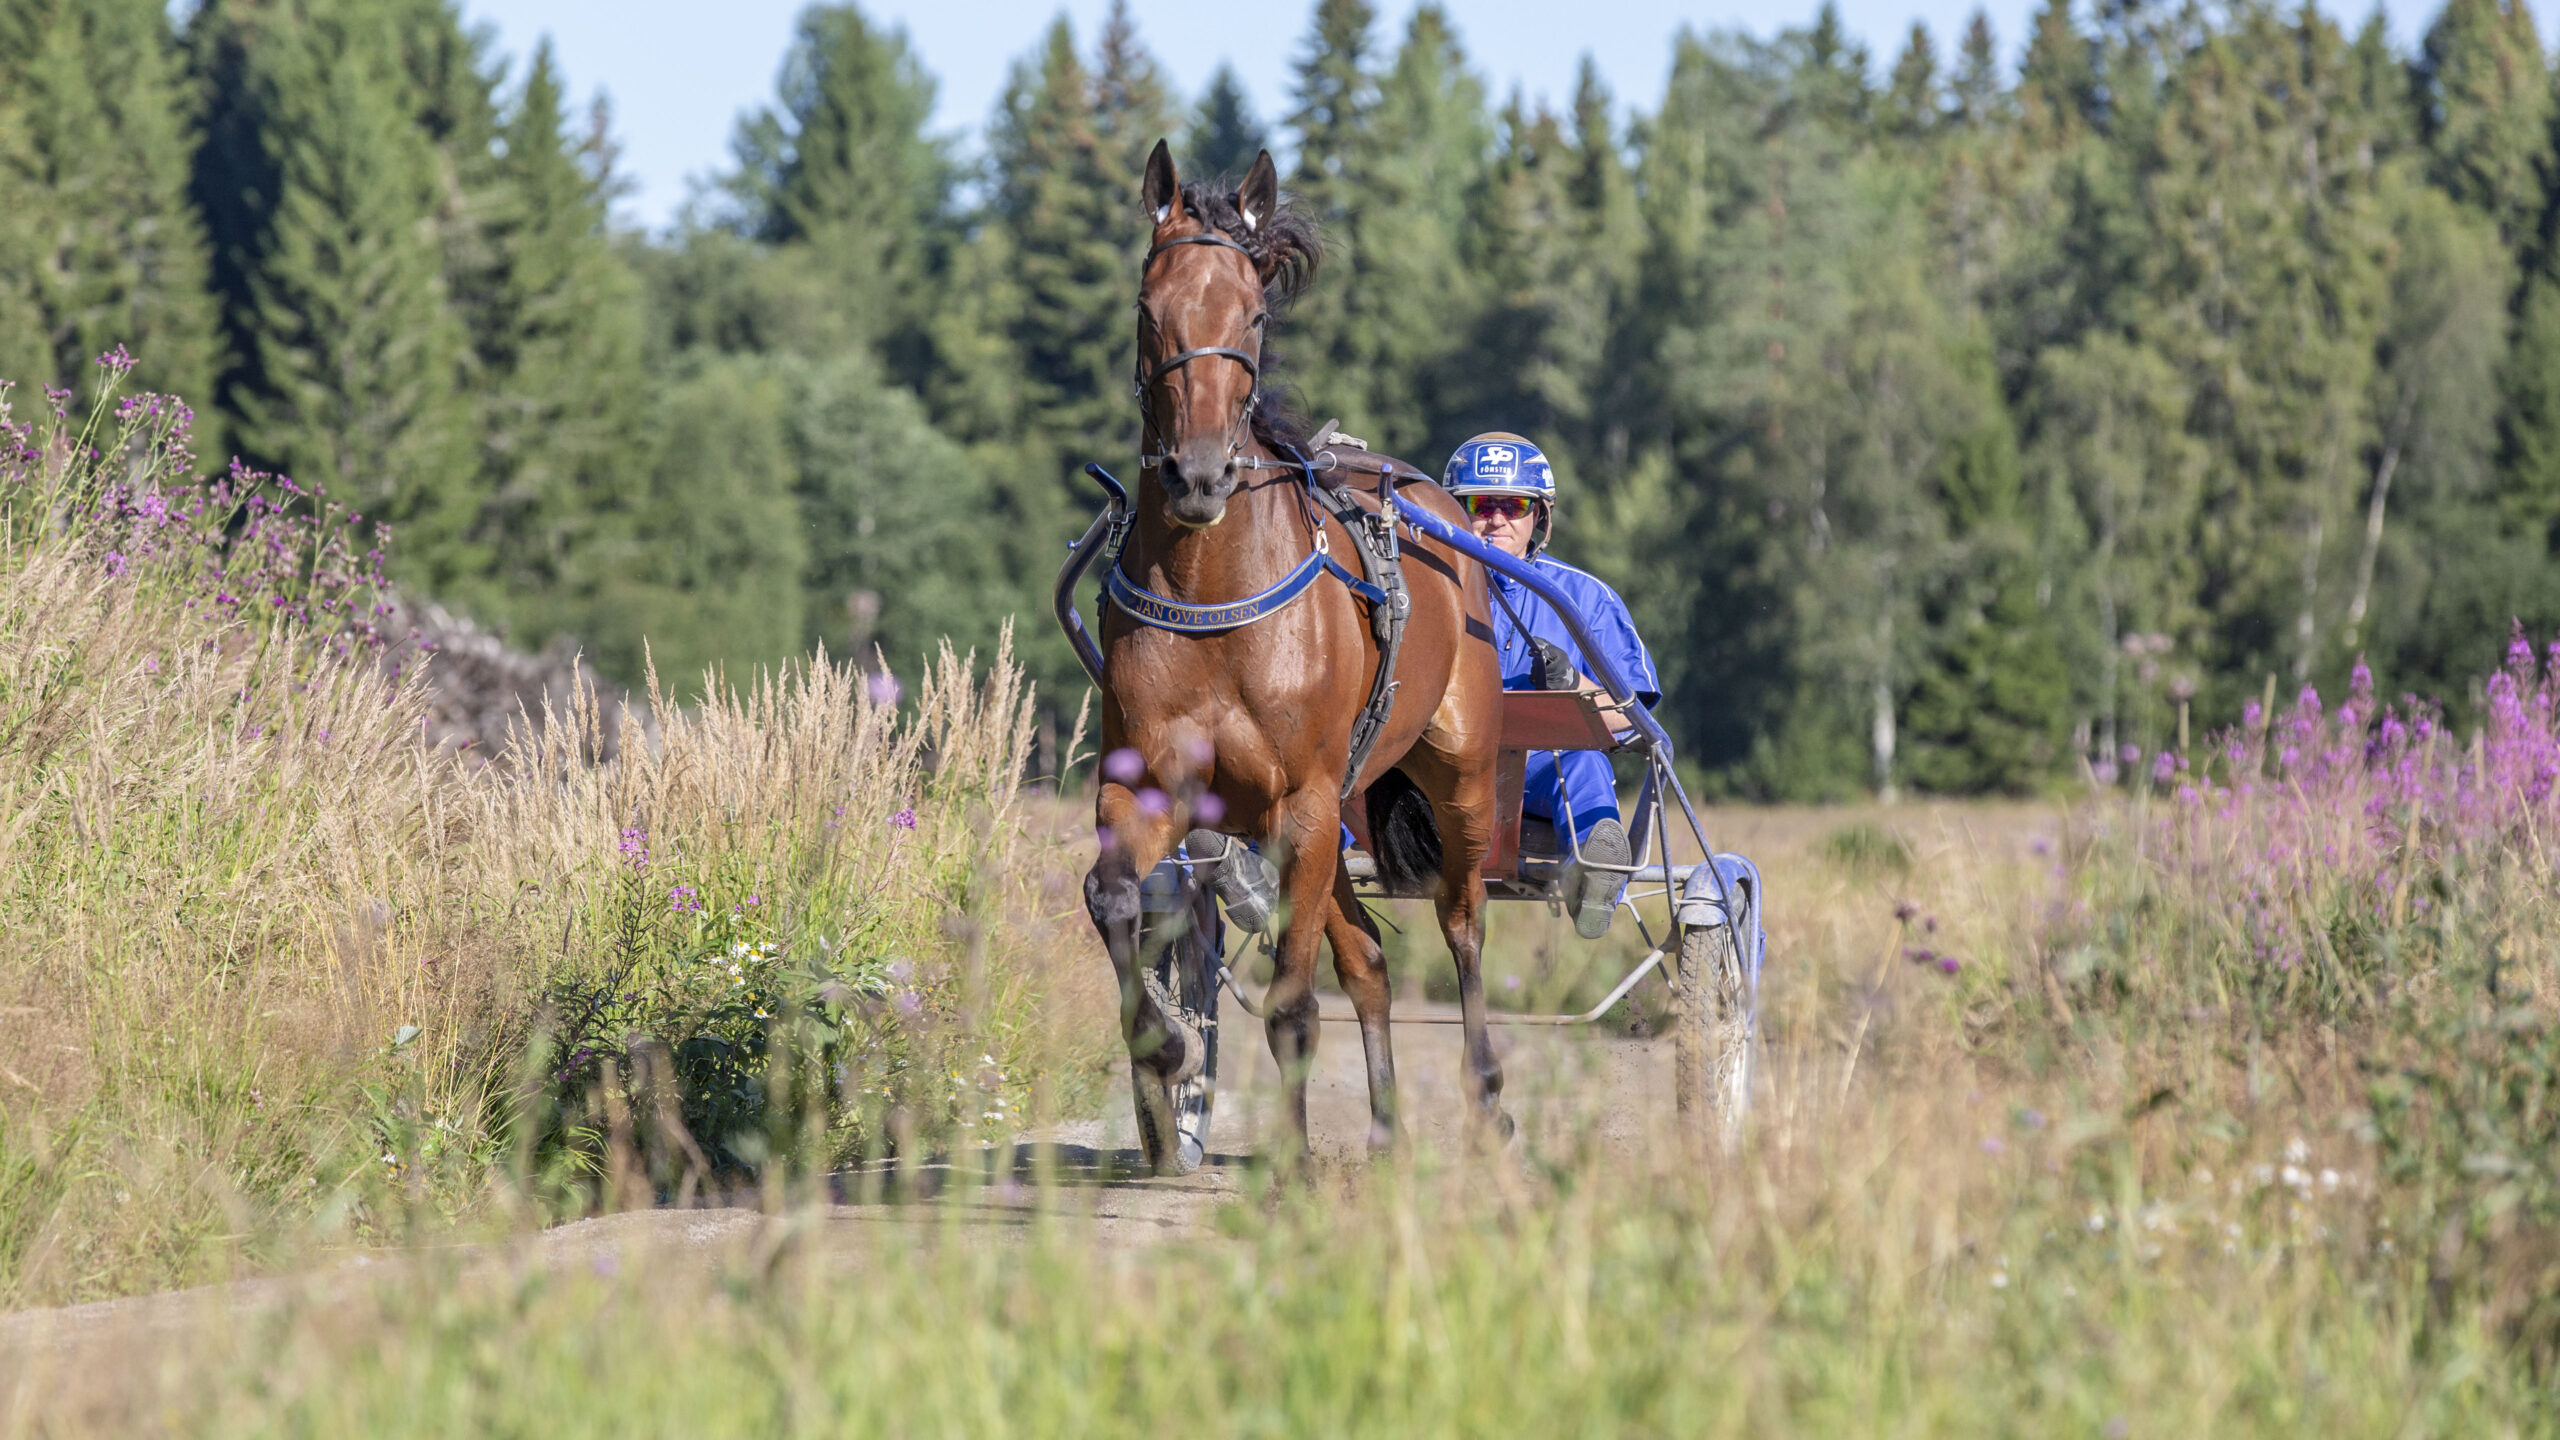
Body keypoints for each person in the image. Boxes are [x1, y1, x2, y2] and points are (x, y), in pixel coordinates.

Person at [1442, 432, 1660, 939]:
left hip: (1534, 773)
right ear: (1453, 511)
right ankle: (1273, 869)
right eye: (1478, 504)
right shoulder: (1419, 589)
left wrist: (1574, 683)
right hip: (1432, 768)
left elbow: (1632, 725)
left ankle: (1595, 874)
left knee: (1582, 762)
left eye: (1511, 505)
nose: (1495, 519)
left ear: (1538, 516)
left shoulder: (1585, 598)